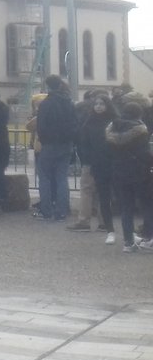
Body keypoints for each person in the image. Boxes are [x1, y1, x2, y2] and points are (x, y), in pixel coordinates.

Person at [106, 102, 152, 252]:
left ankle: (128, 242)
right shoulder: (141, 130)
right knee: (147, 204)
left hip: (118, 171)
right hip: (139, 171)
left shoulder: (112, 129)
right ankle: (148, 239)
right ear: (139, 114)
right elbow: (145, 154)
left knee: (126, 207)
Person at [76, 94, 117, 244]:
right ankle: (102, 223)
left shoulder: (113, 121)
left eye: (102, 104)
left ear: (107, 106)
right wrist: (88, 158)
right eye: (97, 104)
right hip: (94, 161)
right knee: (95, 190)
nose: (99, 106)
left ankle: (101, 221)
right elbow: (84, 142)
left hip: (110, 161)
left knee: (102, 192)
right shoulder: (89, 122)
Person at [35, 75, 76, 221]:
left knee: (44, 177)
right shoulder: (69, 102)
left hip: (50, 144)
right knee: (61, 178)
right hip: (66, 144)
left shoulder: (46, 103)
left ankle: (46, 210)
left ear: (48, 86)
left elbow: (41, 126)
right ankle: (62, 211)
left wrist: (45, 140)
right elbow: (74, 124)